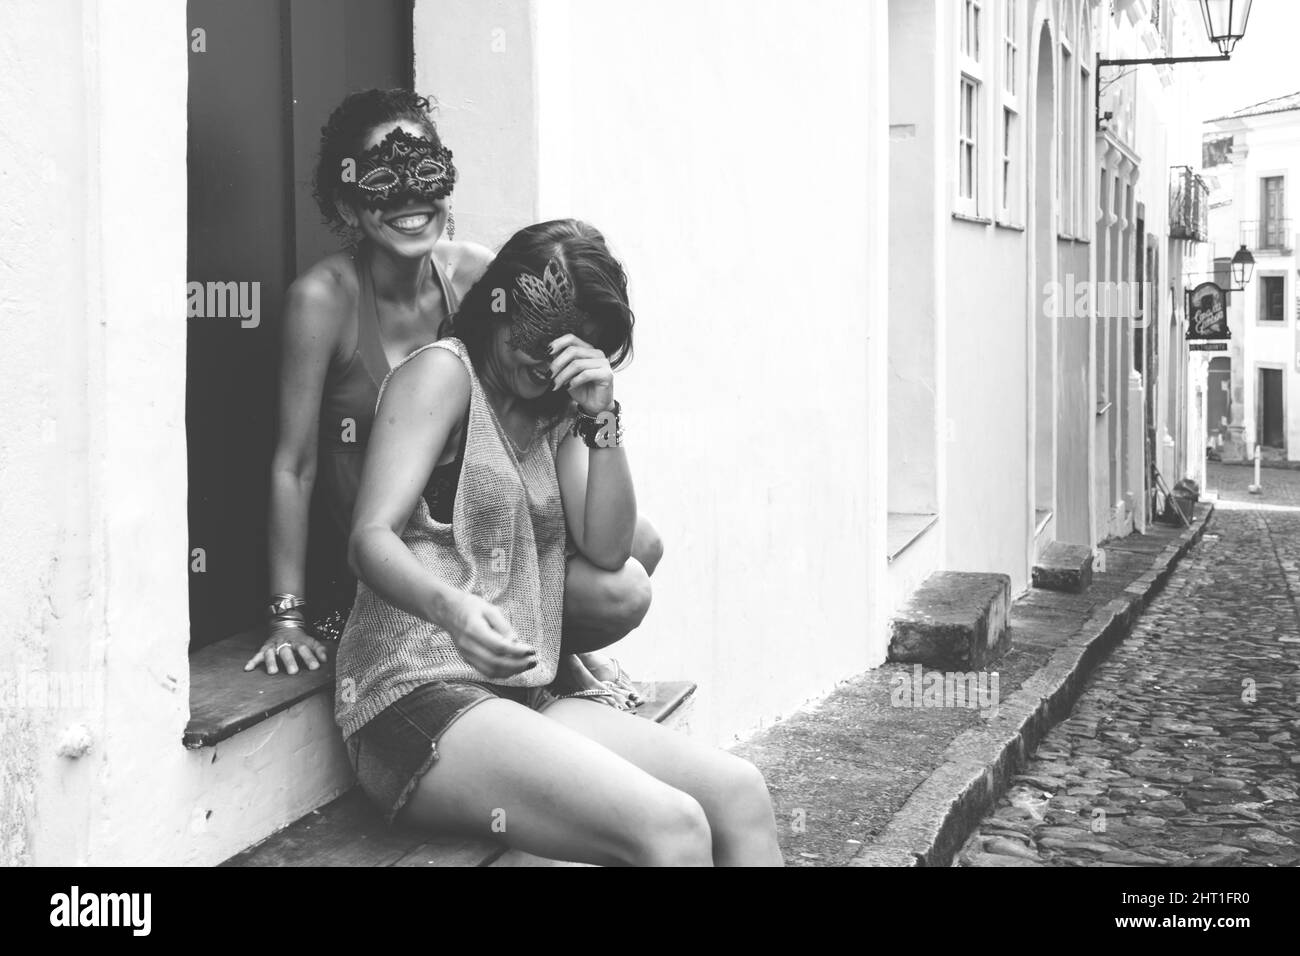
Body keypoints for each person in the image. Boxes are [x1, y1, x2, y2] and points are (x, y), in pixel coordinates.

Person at [336, 220, 782, 865]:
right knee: (674, 827)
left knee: (740, 793)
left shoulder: (556, 407)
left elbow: (608, 550)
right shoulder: (442, 375)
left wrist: (601, 416)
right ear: (499, 305)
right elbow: (369, 537)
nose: (542, 364)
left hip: (521, 690)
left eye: (564, 349)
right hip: (413, 693)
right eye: (531, 337)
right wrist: (450, 608)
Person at [246, 90, 650, 707]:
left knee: (637, 543)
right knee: (616, 573)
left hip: (475, 527)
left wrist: (601, 417)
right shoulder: (322, 301)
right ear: (348, 205)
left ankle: (545, 657)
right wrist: (286, 615)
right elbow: (293, 465)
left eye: (426, 173)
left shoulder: (474, 276)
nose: (411, 198)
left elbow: (525, 419)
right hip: (388, 555)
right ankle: (548, 662)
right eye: (384, 180)